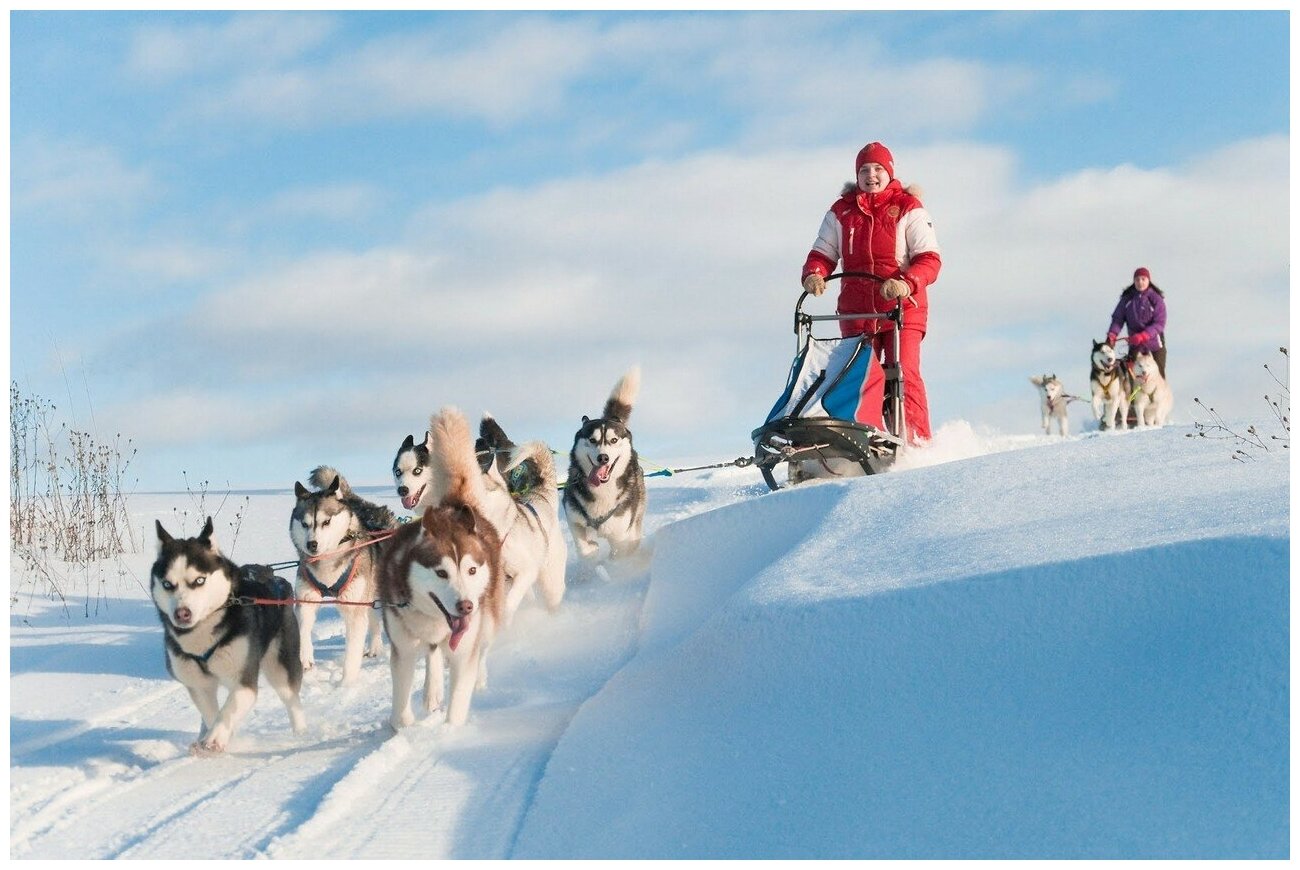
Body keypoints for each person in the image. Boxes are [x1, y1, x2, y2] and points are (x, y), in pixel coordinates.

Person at [800, 141, 942, 442]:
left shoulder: (908, 207)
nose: (871, 175)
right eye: (865, 170)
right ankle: (860, 438)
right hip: (857, 311)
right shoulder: (842, 211)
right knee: (856, 376)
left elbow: (929, 259)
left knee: (903, 372)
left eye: (878, 169)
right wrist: (815, 274)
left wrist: (907, 282)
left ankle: (917, 443)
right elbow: (822, 253)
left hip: (902, 307)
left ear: (889, 172)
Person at [1106, 267, 1167, 377]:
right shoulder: (1127, 299)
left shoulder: (1156, 299)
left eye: (1143, 279)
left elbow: (1159, 323)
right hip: (1135, 345)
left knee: (1158, 375)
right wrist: (1112, 334)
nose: (1140, 282)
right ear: (1134, 281)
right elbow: (1118, 319)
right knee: (1132, 374)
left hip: (1154, 344)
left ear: (1148, 280)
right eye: (1137, 280)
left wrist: (1144, 335)